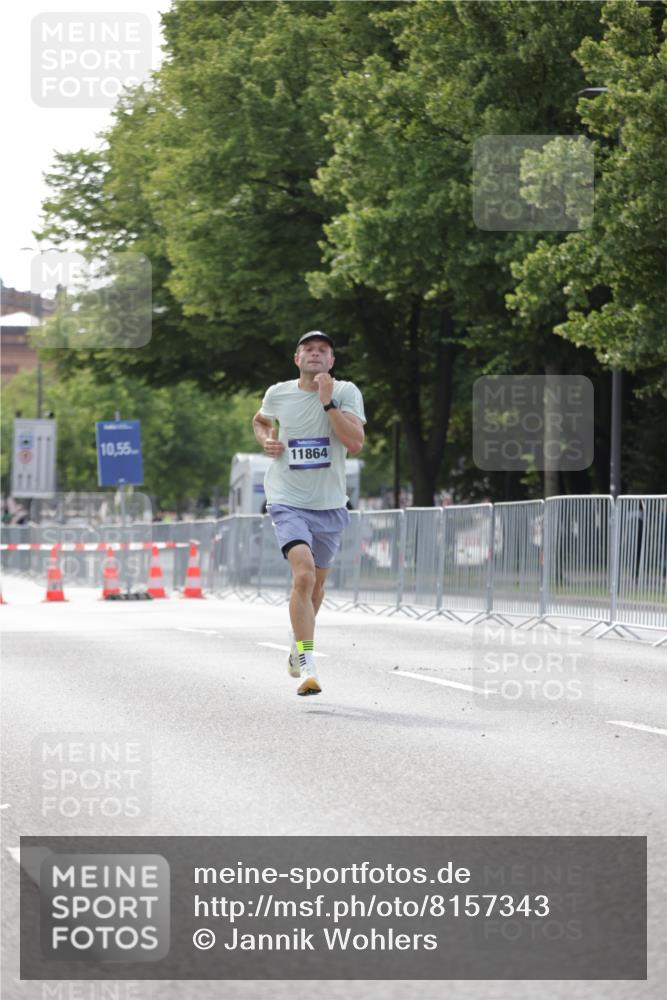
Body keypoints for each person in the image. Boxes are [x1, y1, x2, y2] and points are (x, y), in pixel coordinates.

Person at [252, 331, 366, 695]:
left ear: (331, 362)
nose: (316, 354)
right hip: (286, 497)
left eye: (323, 351)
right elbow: (260, 420)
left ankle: (296, 645)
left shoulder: (346, 392)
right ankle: (307, 662)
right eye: (309, 350)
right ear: (296, 358)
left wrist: (328, 403)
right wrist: (266, 440)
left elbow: (355, 444)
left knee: (316, 584)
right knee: (302, 576)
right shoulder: (278, 393)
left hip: (330, 503)